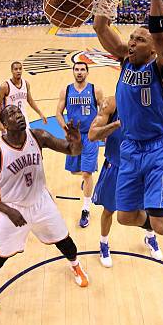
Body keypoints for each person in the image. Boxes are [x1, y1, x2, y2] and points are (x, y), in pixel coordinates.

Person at [93, 0, 163, 254]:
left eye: (140, 39)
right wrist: (105, 0)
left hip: (158, 149)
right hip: (130, 148)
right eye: (131, 37)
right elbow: (100, 28)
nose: (132, 42)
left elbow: (162, 38)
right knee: (125, 217)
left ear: (153, 49)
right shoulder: (125, 60)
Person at [0, 105, 88, 313]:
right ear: (3, 124)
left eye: (19, 112)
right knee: (0, 256)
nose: (18, 116)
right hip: (12, 208)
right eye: (12, 115)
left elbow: (71, 150)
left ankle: (76, 265)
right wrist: (7, 211)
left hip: (41, 201)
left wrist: (77, 141)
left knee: (65, 240)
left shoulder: (38, 136)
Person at [89, 96, 162, 267]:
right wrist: (116, 124)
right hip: (115, 166)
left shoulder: (150, 102)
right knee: (109, 210)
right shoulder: (112, 103)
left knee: (145, 207)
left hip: (139, 167)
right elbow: (92, 135)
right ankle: (103, 244)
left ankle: (150, 237)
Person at [56, 62, 103, 228]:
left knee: (86, 173)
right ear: (73, 72)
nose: (79, 72)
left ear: (87, 72)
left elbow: (103, 111)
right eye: (76, 69)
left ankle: (86, 209)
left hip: (90, 136)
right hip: (74, 137)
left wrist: (98, 127)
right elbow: (58, 113)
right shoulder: (66, 91)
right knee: (75, 171)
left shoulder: (95, 90)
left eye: (83, 69)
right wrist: (65, 129)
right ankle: (85, 179)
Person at [0, 61, 46, 133]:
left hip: (23, 118)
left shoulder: (26, 84)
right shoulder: (5, 86)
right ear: (12, 71)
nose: (18, 71)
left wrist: (40, 113)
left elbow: (30, 101)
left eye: (20, 69)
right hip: (9, 121)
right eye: (16, 69)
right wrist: (0, 122)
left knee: (27, 140)